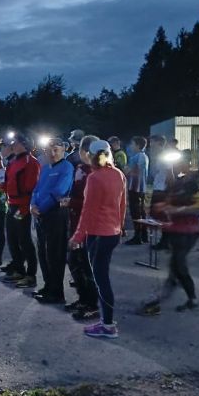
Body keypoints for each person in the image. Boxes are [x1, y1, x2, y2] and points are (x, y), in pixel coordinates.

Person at [69, 140, 126, 339]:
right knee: (102, 278)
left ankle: (108, 325)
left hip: (98, 234)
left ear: (91, 156)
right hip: (111, 233)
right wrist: (120, 227)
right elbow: (122, 204)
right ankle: (106, 321)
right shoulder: (118, 174)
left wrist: (78, 236)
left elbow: (88, 211)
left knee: (101, 280)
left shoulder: (94, 178)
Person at [139, 155, 199, 315]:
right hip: (176, 229)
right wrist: (162, 207)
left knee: (178, 265)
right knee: (176, 266)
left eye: (178, 165)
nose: (175, 168)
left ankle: (179, 296)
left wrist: (177, 210)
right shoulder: (176, 183)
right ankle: (183, 295)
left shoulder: (192, 182)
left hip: (189, 231)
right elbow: (170, 201)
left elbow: (196, 206)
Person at [30, 137, 74, 300]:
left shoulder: (67, 167)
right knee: (43, 252)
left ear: (63, 150)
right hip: (41, 215)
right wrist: (32, 205)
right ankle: (48, 286)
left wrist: (40, 208)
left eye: (56, 150)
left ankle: (56, 292)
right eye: (50, 150)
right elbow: (36, 189)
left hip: (55, 214)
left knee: (55, 253)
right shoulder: (45, 168)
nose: (53, 153)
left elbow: (59, 191)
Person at [64, 135, 100, 320]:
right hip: (76, 222)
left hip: (89, 227)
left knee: (87, 266)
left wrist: (71, 202)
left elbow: (93, 203)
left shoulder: (97, 173)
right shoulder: (80, 169)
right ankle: (83, 298)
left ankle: (92, 304)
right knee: (74, 261)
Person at [2, 133, 40, 283]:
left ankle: (31, 274)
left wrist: (25, 208)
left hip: (22, 206)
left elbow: (31, 187)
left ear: (24, 144)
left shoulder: (31, 162)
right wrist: (3, 188)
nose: (13, 145)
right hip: (12, 205)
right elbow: (10, 181)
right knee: (12, 238)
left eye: (15, 142)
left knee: (24, 239)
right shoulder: (13, 162)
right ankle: (18, 269)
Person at [124, 136, 149, 245]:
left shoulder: (139, 156)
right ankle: (143, 235)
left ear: (138, 145)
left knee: (136, 212)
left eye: (132, 144)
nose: (131, 146)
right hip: (139, 187)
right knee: (140, 211)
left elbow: (133, 170)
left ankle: (138, 236)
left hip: (136, 187)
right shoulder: (142, 156)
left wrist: (126, 170)